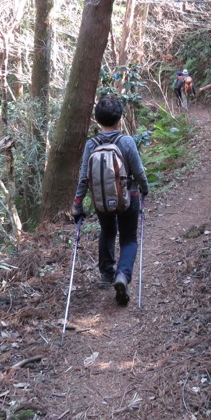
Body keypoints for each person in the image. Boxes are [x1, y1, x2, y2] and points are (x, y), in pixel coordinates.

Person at [72, 97, 150, 305]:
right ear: (119, 118)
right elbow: (138, 172)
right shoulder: (126, 142)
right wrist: (145, 188)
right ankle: (123, 275)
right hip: (128, 197)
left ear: (97, 120)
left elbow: (83, 178)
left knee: (107, 231)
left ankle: (107, 274)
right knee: (129, 238)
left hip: (101, 200)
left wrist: (77, 204)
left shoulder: (91, 144)